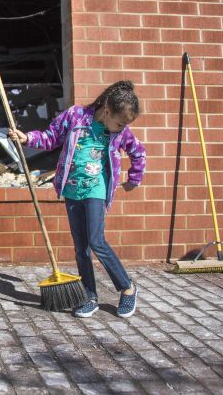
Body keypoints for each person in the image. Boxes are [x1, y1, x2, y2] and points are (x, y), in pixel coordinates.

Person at [9, 80, 146, 318]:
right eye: (120, 122)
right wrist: (26, 138)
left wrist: (135, 178)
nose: (121, 128)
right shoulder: (76, 116)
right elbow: (51, 137)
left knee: (96, 240)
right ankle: (89, 296)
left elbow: (138, 152)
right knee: (80, 248)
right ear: (106, 110)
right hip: (72, 190)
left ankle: (127, 287)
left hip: (96, 189)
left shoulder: (120, 132)